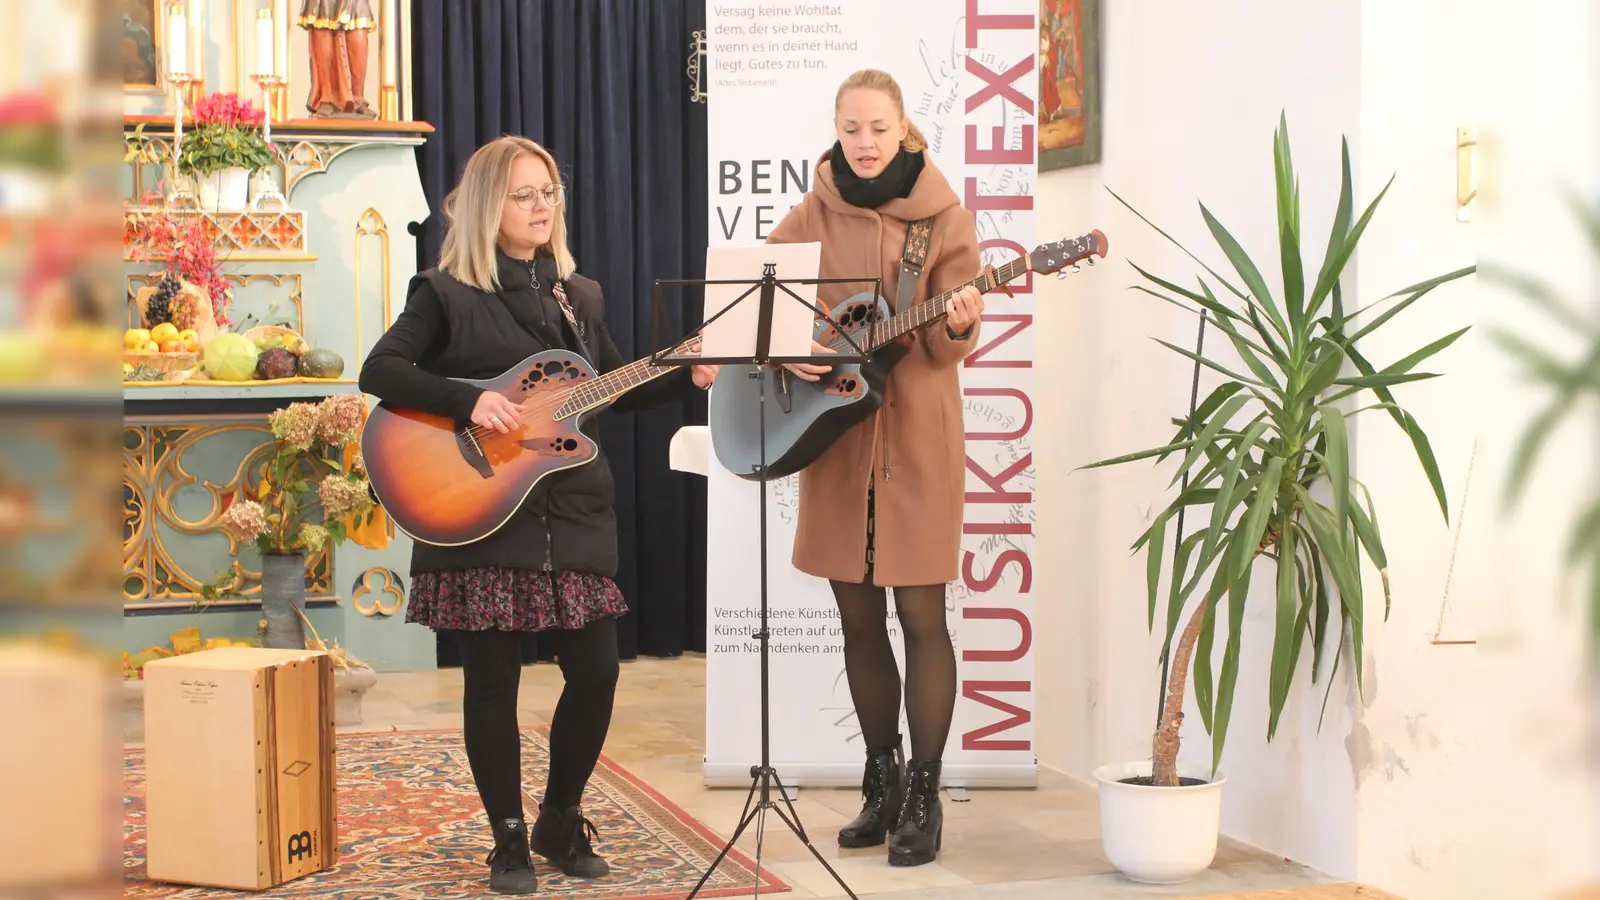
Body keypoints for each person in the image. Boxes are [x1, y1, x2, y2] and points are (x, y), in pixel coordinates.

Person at [358, 135, 717, 895]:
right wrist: (469, 399)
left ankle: (559, 816)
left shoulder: (576, 296)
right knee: (491, 684)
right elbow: (381, 369)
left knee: (596, 672)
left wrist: (689, 372)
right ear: (491, 204)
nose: (541, 206)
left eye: (549, 191)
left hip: (574, 509)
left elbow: (610, 387)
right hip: (479, 509)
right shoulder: (445, 291)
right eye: (525, 194)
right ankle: (508, 841)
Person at [764, 69, 984, 867]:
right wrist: (811, 352)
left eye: (878, 129)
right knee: (857, 619)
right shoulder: (808, 215)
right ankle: (881, 781)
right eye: (850, 127)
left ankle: (925, 794)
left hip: (919, 439)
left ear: (904, 131)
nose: (863, 142)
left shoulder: (943, 218)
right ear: (836, 128)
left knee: (922, 617)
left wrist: (956, 323)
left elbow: (952, 338)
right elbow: (770, 314)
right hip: (838, 440)